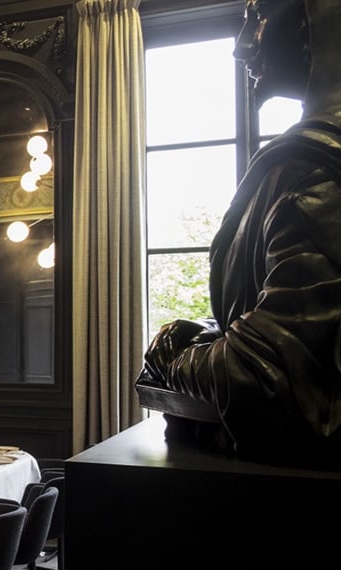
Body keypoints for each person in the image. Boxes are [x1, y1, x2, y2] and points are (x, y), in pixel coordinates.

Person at [137, 0, 341, 462]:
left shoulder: (313, 175)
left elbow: (268, 374)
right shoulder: (306, 165)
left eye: (257, 17)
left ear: (316, 22)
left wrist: (174, 356)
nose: (242, 47)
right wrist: (212, 333)